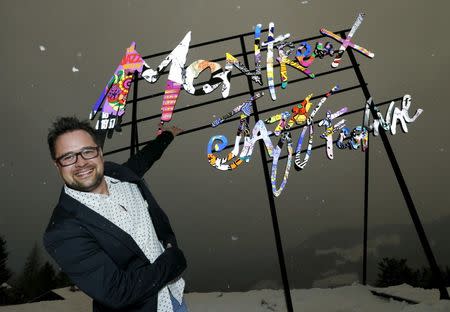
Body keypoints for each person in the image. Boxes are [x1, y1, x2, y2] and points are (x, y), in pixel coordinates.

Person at [43, 116, 188, 312]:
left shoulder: (119, 174)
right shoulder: (62, 231)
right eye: (68, 157)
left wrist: (168, 135)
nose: (81, 163)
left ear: (100, 152)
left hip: (174, 298)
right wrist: (172, 261)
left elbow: (146, 157)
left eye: (87, 151)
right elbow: (118, 291)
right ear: (57, 165)